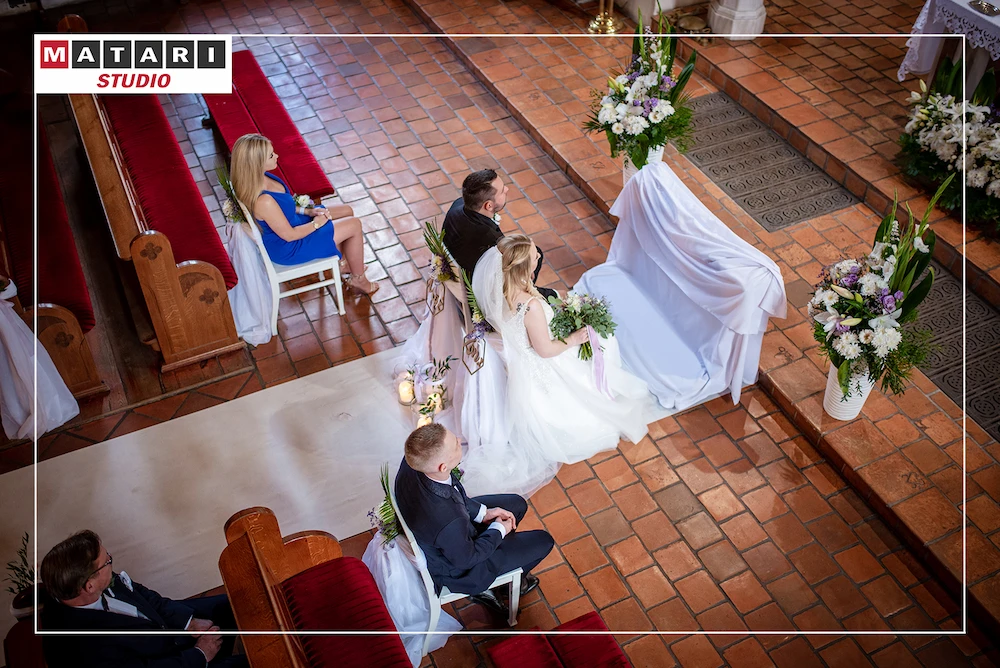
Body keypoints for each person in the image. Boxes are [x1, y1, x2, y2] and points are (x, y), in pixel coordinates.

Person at [461, 235, 654, 498]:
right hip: (543, 364)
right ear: (522, 268)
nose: (538, 258)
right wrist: (574, 338)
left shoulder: (502, 292)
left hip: (523, 362)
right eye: (534, 257)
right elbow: (546, 349)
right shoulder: (530, 306)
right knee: (605, 343)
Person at [394, 424, 554, 618]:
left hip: (450, 526)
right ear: (443, 467)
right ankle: (502, 586)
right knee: (544, 541)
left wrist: (484, 513)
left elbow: (450, 490)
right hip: (464, 569)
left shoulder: (414, 461)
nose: (460, 442)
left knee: (517, 504)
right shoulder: (447, 520)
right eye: (455, 445)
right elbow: (466, 558)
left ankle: (507, 558)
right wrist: (498, 529)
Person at [39, 530, 248, 668]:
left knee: (238, 602)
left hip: (164, 627)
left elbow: (142, 594)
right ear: (89, 586)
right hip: (169, 660)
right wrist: (201, 654)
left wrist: (189, 622)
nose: (111, 561)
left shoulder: (80, 586)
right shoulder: (85, 650)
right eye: (107, 561)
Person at [229, 133, 379, 296]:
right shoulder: (263, 201)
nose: (277, 156)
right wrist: (316, 224)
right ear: (256, 163)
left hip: (291, 222)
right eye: (271, 155)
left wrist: (308, 211)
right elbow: (290, 235)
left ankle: (343, 263)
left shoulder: (261, 177)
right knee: (354, 224)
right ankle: (359, 280)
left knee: (346, 211)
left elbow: (284, 206)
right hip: (290, 246)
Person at [442, 169, 556, 301]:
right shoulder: (492, 242)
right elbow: (507, 280)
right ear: (488, 205)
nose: (507, 189)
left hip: (461, 258)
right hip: (481, 287)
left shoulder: (459, 204)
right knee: (536, 256)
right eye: (502, 191)